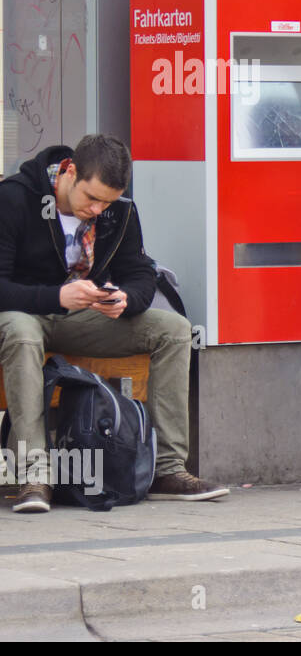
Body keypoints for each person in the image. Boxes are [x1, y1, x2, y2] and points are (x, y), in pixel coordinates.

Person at [0, 135, 229, 512]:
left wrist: (124, 299)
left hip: (82, 317)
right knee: (24, 336)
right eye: (91, 198)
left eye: (107, 200)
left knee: (172, 330)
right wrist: (55, 297)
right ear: (70, 171)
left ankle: (168, 470)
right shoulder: (15, 199)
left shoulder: (118, 211)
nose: (97, 208)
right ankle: (34, 475)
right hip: (22, 314)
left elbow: (140, 273)